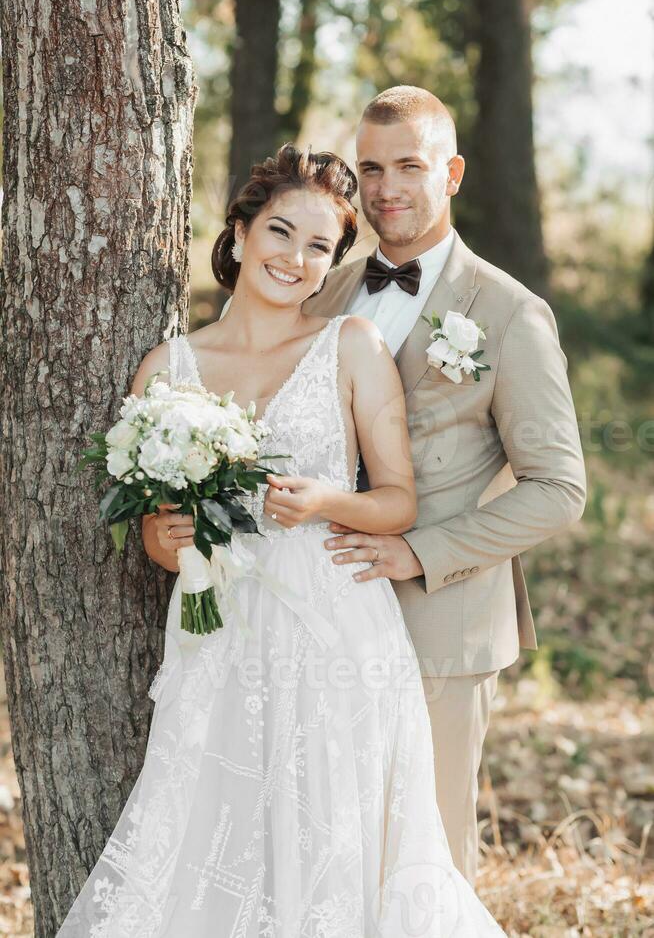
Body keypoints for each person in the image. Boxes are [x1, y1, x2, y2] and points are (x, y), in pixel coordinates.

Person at [56, 144, 506, 936]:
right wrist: (171, 536)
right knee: (218, 829)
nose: (295, 258)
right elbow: (159, 543)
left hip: (337, 632)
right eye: (279, 232)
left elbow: (398, 502)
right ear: (238, 233)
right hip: (220, 637)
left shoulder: (352, 347)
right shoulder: (167, 368)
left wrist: (329, 500)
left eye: (319, 246)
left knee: (331, 835)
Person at [301, 86, 587, 885]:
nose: (386, 188)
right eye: (370, 168)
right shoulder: (322, 290)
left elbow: (558, 486)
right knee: (331, 851)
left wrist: (418, 553)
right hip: (316, 611)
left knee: (428, 864)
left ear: (451, 173)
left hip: (442, 623)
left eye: (409, 167)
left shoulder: (507, 312)